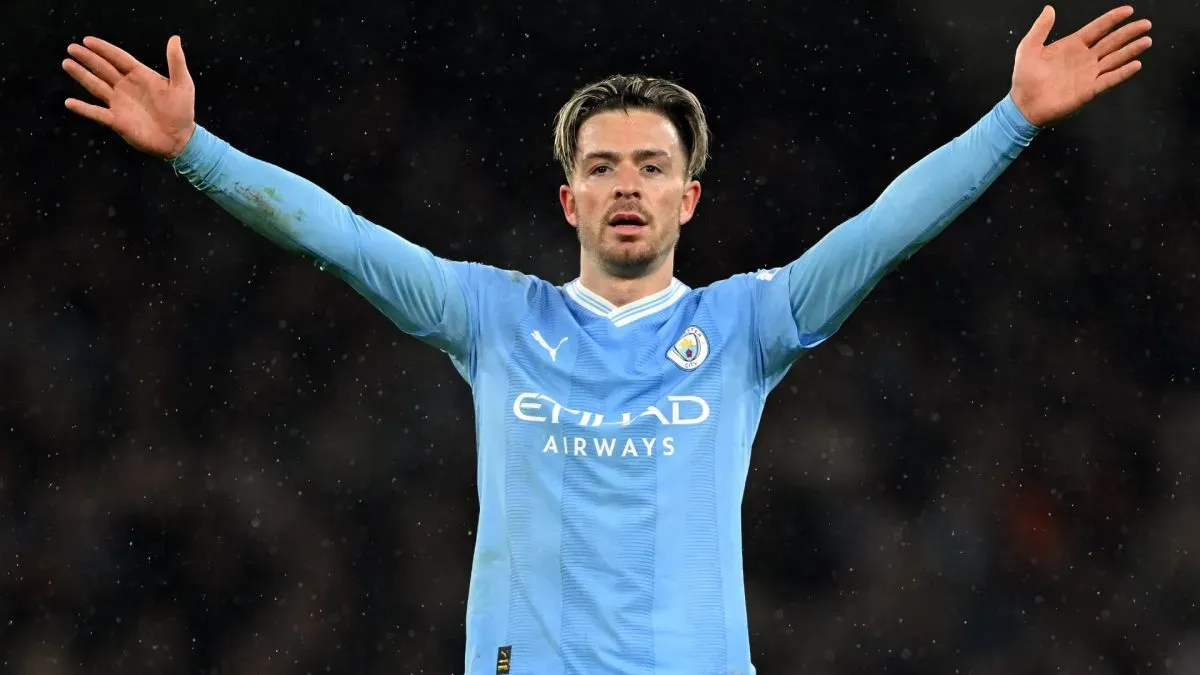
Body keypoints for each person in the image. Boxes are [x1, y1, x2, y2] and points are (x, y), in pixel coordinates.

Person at [61, 6, 1150, 673]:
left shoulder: (746, 326)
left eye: (651, 168)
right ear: (570, 200)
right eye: (602, 167)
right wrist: (196, 151)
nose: (627, 185)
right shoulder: (491, 317)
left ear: (690, 199)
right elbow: (341, 239)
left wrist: (1010, 122)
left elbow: (882, 231)